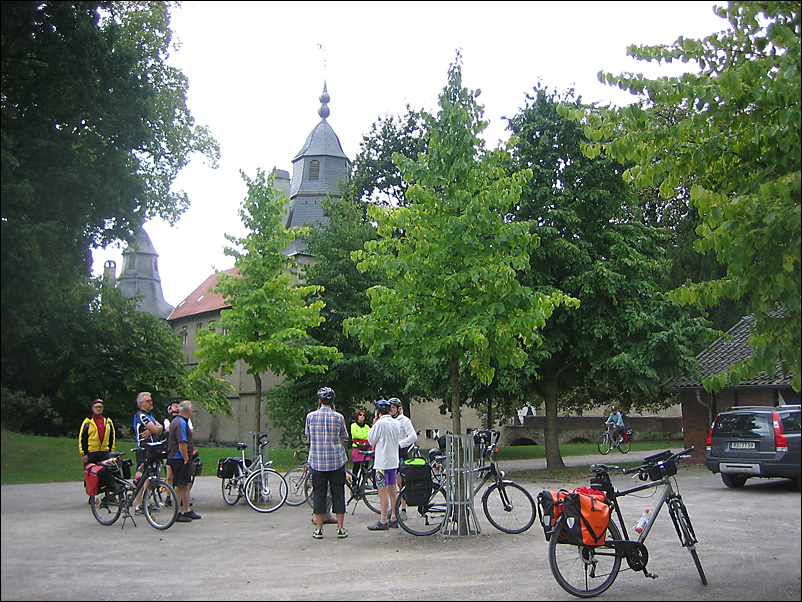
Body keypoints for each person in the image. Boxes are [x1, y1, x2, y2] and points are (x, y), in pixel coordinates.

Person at [305, 386, 349, 540]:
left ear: (319, 401)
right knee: (338, 493)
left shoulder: (310, 417)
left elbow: (308, 435)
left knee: (319, 494)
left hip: (317, 461)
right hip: (336, 460)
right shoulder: (338, 417)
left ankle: (319, 529)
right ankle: (340, 528)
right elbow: (344, 436)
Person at [366, 399, 402, 531]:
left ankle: (382, 520)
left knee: (382, 491)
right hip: (393, 461)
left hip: (381, 463)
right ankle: (394, 516)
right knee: (393, 489)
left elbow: (371, 439)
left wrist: (373, 425)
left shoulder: (380, 424)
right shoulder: (396, 423)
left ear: (377, 411)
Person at [167, 400, 201, 522]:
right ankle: (177, 512)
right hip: (178, 458)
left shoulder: (181, 421)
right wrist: (186, 458)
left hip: (182, 458)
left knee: (186, 484)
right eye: (191, 409)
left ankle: (187, 510)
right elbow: (182, 442)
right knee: (179, 485)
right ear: (188, 411)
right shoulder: (180, 422)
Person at [132, 391, 164, 514]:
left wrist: (153, 430)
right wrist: (155, 429)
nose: (151, 403)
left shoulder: (150, 415)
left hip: (152, 449)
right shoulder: (141, 415)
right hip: (143, 450)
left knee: (150, 478)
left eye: (151, 400)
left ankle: (147, 502)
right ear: (141, 403)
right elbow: (156, 428)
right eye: (148, 401)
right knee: (141, 477)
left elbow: (159, 429)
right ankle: (138, 505)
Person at [389, 397, 417, 518]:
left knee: (401, 482)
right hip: (390, 452)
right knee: (391, 482)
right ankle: (394, 506)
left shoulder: (404, 420)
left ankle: (403, 509)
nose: (390, 410)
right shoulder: (387, 420)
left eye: (393, 407)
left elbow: (413, 436)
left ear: (398, 409)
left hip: (401, 452)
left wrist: (401, 444)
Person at [78, 399, 115, 465]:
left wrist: (111, 451)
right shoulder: (87, 421)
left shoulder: (108, 421)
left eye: (100, 407)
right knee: (91, 473)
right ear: (92, 408)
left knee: (106, 473)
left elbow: (112, 436)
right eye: (96, 407)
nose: (98, 409)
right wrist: (84, 454)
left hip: (105, 452)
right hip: (91, 452)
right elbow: (82, 438)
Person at [350, 409, 371, 480]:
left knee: (365, 467)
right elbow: (355, 435)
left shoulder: (367, 427)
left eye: (363, 415)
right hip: (357, 448)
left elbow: (369, 435)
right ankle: (354, 482)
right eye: (360, 415)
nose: (362, 417)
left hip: (366, 448)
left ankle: (364, 481)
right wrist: (364, 437)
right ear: (357, 416)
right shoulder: (353, 425)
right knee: (356, 466)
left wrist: (362, 437)